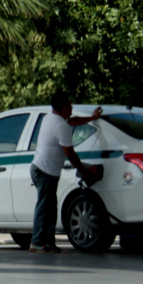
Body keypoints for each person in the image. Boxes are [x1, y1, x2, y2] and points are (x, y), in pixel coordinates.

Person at [30, 91, 102, 253]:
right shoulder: (61, 126)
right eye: (70, 105)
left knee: (50, 206)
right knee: (44, 205)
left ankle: (47, 242)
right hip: (45, 170)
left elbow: (73, 121)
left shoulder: (51, 118)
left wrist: (91, 118)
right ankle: (37, 242)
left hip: (43, 169)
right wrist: (84, 171)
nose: (71, 108)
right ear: (63, 106)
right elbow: (70, 154)